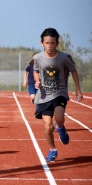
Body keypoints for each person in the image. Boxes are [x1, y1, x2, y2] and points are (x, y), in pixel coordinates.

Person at [33, 28, 83, 162]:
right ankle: (53, 150)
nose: (50, 46)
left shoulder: (64, 58)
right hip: (44, 95)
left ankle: (60, 127)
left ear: (57, 44)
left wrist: (78, 89)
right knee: (47, 126)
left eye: (52, 43)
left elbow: (74, 71)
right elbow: (36, 71)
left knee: (59, 118)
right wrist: (37, 81)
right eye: (47, 43)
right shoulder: (37, 57)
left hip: (59, 93)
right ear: (41, 43)